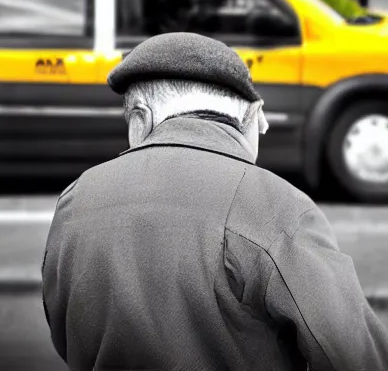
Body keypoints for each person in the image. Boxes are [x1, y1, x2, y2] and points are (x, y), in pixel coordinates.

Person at [42, 32, 388, 370]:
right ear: (252, 117)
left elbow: (64, 332)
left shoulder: (77, 200)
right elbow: (354, 354)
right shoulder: (278, 206)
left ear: (140, 119)